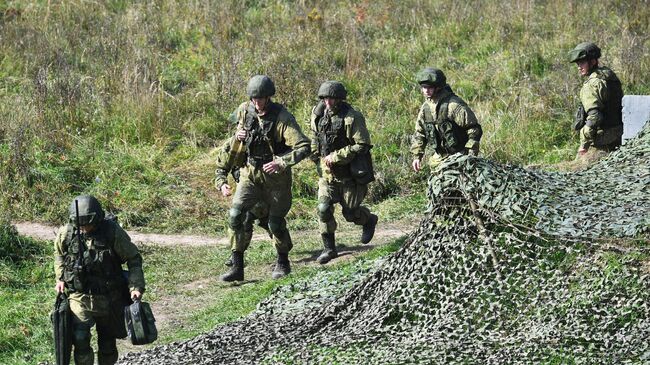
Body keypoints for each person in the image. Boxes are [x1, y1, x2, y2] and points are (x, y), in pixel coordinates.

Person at [219, 75, 310, 282]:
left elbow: (303, 146)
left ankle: (283, 261)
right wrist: (238, 136)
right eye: (254, 99)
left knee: (275, 223)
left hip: (276, 177)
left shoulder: (282, 117)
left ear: (269, 98)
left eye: (261, 99)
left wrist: (282, 162)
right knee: (236, 215)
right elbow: (236, 133)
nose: (257, 103)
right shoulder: (244, 110)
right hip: (250, 173)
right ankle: (237, 265)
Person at [54, 195, 145, 365]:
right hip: (79, 296)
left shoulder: (112, 232)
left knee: (107, 343)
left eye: (87, 223)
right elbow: (59, 254)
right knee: (80, 338)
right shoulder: (67, 232)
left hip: (108, 298)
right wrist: (60, 278)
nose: (84, 228)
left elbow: (133, 259)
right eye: (80, 224)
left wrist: (136, 286)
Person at [309, 81, 378, 264]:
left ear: (339, 99)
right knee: (323, 209)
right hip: (327, 175)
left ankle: (368, 220)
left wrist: (337, 156)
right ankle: (329, 248)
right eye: (325, 99)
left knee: (350, 213)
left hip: (349, 175)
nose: (328, 102)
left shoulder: (352, 117)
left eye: (332, 99)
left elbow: (362, 144)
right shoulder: (318, 115)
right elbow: (314, 137)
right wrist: (317, 157)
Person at [214, 134, 272, 267]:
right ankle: (237, 256)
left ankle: (283, 253)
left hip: (267, 190)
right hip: (246, 192)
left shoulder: (265, 140)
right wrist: (222, 184)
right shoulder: (231, 145)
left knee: (272, 223)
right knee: (242, 219)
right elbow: (221, 169)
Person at [410, 67, 482, 172]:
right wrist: (417, 157)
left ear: (438, 87)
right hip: (438, 159)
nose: (426, 90)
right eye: (424, 87)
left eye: (429, 87)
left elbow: (474, 130)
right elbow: (420, 134)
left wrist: (470, 156)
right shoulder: (425, 108)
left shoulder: (453, 105)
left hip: (459, 156)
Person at [568, 42, 623, 158]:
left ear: (592, 61)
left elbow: (595, 117)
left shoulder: (591, 84)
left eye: (582, 62)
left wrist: (583, 145)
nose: (579, 67)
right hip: (619, 135)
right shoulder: (609, 76)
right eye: (578, 63)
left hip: (601, 143)